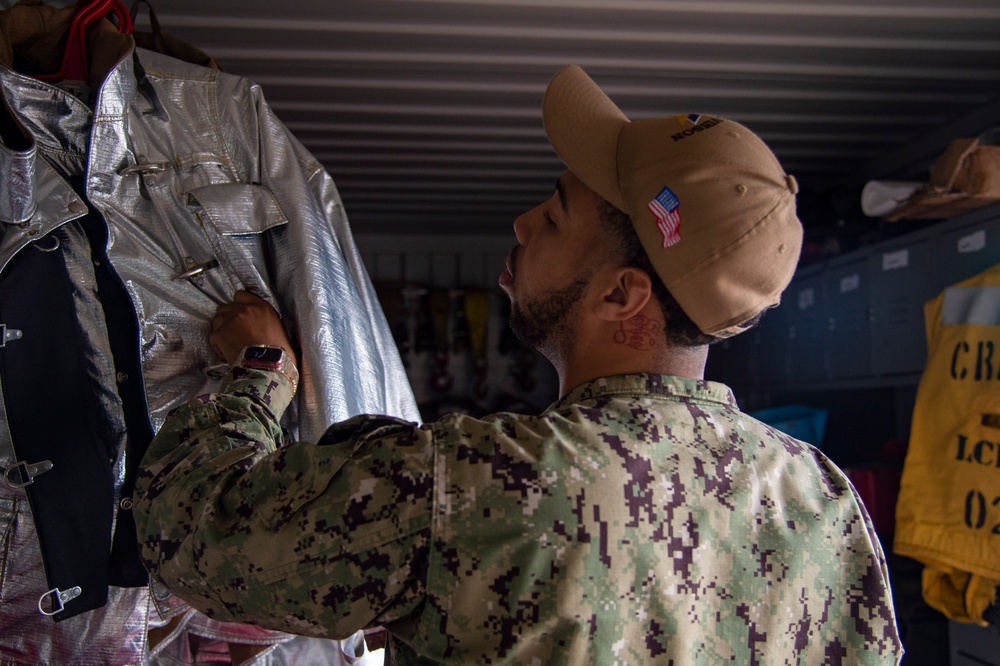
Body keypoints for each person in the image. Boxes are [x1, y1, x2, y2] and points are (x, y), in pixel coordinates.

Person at [134, 65, 903, 664]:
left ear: (622, 294)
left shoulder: (479, 486)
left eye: (557, 213)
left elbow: (186, 532)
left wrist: (260, 369)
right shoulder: (825, 504)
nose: (523, 221)